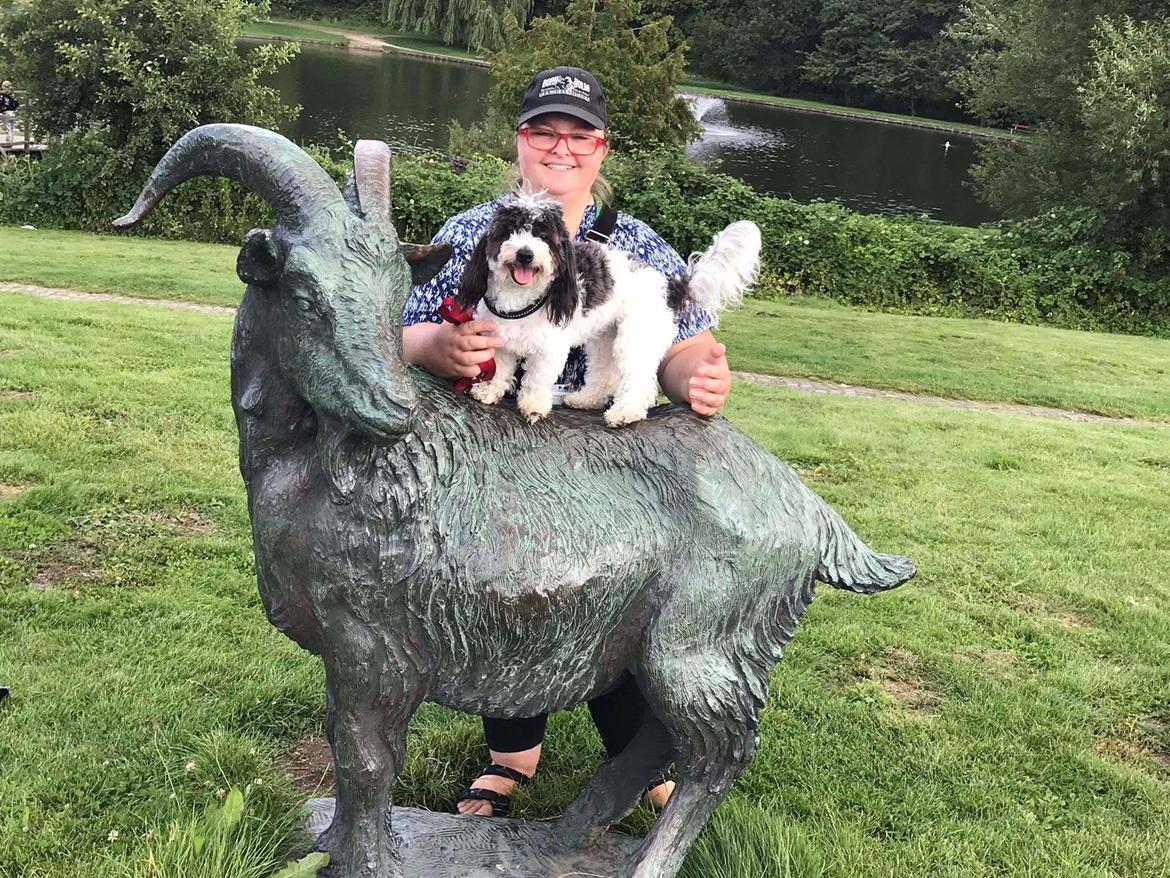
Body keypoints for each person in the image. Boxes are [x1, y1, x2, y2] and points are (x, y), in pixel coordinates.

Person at [401, 67, 733, 818]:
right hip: (501, 450)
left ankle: (636, 753)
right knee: (505, 588)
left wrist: (693, 379)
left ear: (601, 148)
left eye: (579, 135)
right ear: (519, 141)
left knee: (616, 590)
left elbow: (685, 344)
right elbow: (406, 325)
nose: (562, 147)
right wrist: (432, 349)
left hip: (613, 459)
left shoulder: (639, 243)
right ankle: (512, 752)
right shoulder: (465, 232)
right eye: (544, 131)